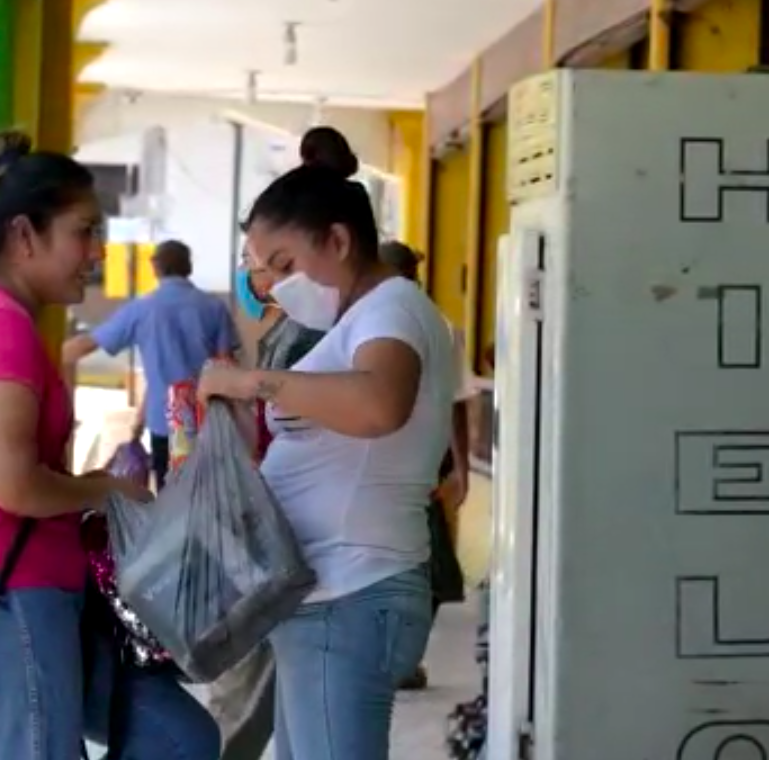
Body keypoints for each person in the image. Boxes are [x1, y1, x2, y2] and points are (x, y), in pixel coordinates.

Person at [0, 130, 219, 760]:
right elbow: (12, 483)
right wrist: (108, 488)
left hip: (33, 581)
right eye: (83, 231)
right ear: (24, 236)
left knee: (182, 738)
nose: (97, 252)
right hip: (3, 587)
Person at [197, 137, 456, 760]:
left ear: (338, 241)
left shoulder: (391, 309)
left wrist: (251, 383)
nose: (278, 287)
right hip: (332, 592)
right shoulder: (362, 316)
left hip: (352, 591)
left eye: (285, 265)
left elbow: (379, 405)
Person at [205, 125, 356, 760]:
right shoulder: (301, 323)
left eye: (277, 265)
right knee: (269, 700)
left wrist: (241, 387)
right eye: (255, 266)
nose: (262, 278)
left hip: (295, 538)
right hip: (282, 529)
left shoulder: (324, 327)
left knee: (252, 695)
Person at [63, 239, 239, 490]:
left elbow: (89, 343)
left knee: (170, 498)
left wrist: (42, 355)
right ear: (188, 267)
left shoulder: (142, 309)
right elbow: (227, 365)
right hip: (209, 423)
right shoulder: (214, 307)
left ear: (155, 268)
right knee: (208, 498)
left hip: (165, 424)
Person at [377, 240, 473, 690]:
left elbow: (457, 402)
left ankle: (399, 658)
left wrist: (461, 467)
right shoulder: (441, 325)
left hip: (394, 461)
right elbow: (457, 405)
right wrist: (462, 466)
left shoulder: (427, 325)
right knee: (420, 563)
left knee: (415, 563)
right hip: (421, 461)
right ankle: (401, 657)